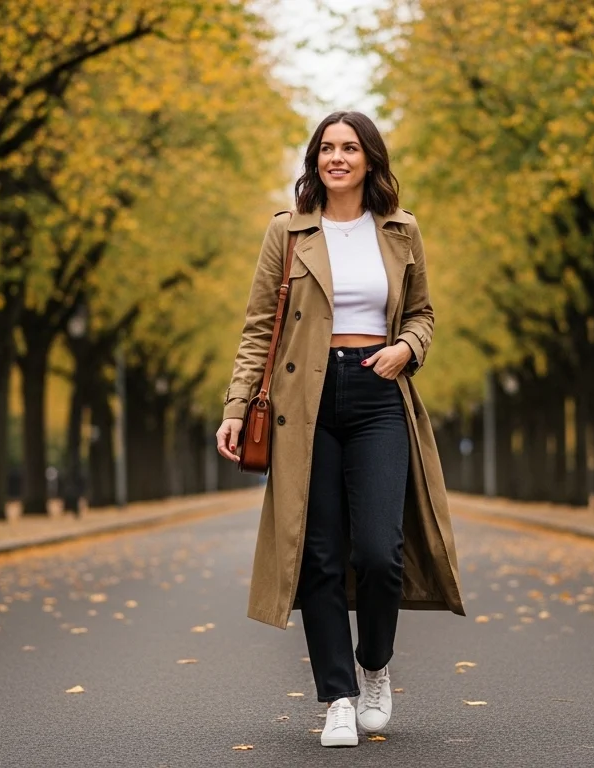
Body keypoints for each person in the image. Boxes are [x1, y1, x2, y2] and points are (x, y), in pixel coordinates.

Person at [215, 111, 465, 748]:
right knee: (319, 555)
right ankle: (338, 698)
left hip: (380, 394)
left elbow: (423, 313)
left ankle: (374, 665)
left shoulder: (402, 231)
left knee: (379, 552)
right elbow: (255, 330)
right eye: (327, 147)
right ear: (314, 160)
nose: (337, 157)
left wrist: (407, 348)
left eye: (350, 147)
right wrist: (236, 406)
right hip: (306, 401)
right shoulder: (289, 233)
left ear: (370, 160)